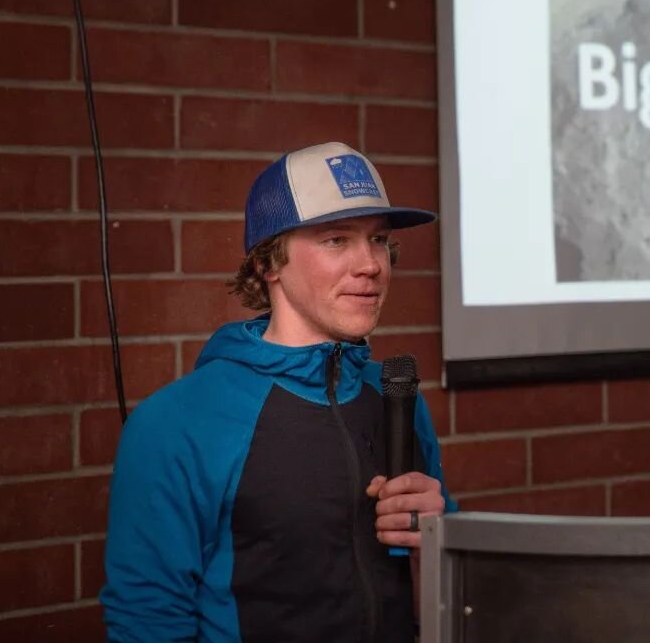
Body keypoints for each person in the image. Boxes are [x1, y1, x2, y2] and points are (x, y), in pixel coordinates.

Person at [101, 141, 454, 642]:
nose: (371, 264)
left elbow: (446, 608)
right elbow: (148, 623)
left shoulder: (399, 398)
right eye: (337, 240)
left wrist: (432, 548)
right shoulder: (176, 423)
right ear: (270, 263)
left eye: (378, 240)